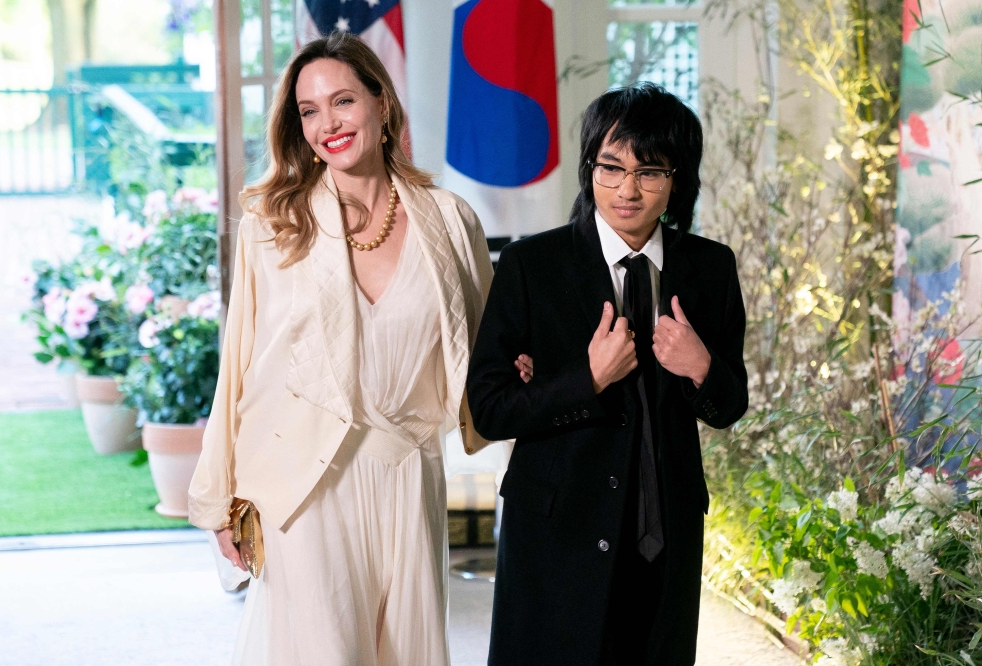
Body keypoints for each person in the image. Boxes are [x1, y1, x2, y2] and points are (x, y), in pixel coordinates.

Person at [187, 33, 492, 666]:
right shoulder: (274, 223)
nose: (327, 123)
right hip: (305, 480)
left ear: (383, 104)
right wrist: (220, 500)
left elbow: (489, 352)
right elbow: (236, 364)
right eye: (308, 110)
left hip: (410, 472)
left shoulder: (450, 219)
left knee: (406, 653)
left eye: (343, 100)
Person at [466, 83, 749, 665]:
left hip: (665, 534)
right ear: (588, 167)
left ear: (677, 179)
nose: (627, 189)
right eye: (611, 167)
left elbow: (730, 404)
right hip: (557, 533)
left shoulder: (711, 268)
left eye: (650, 172)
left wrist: (700, 366)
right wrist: (585, 379)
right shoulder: (531, 266)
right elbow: (490, 408)